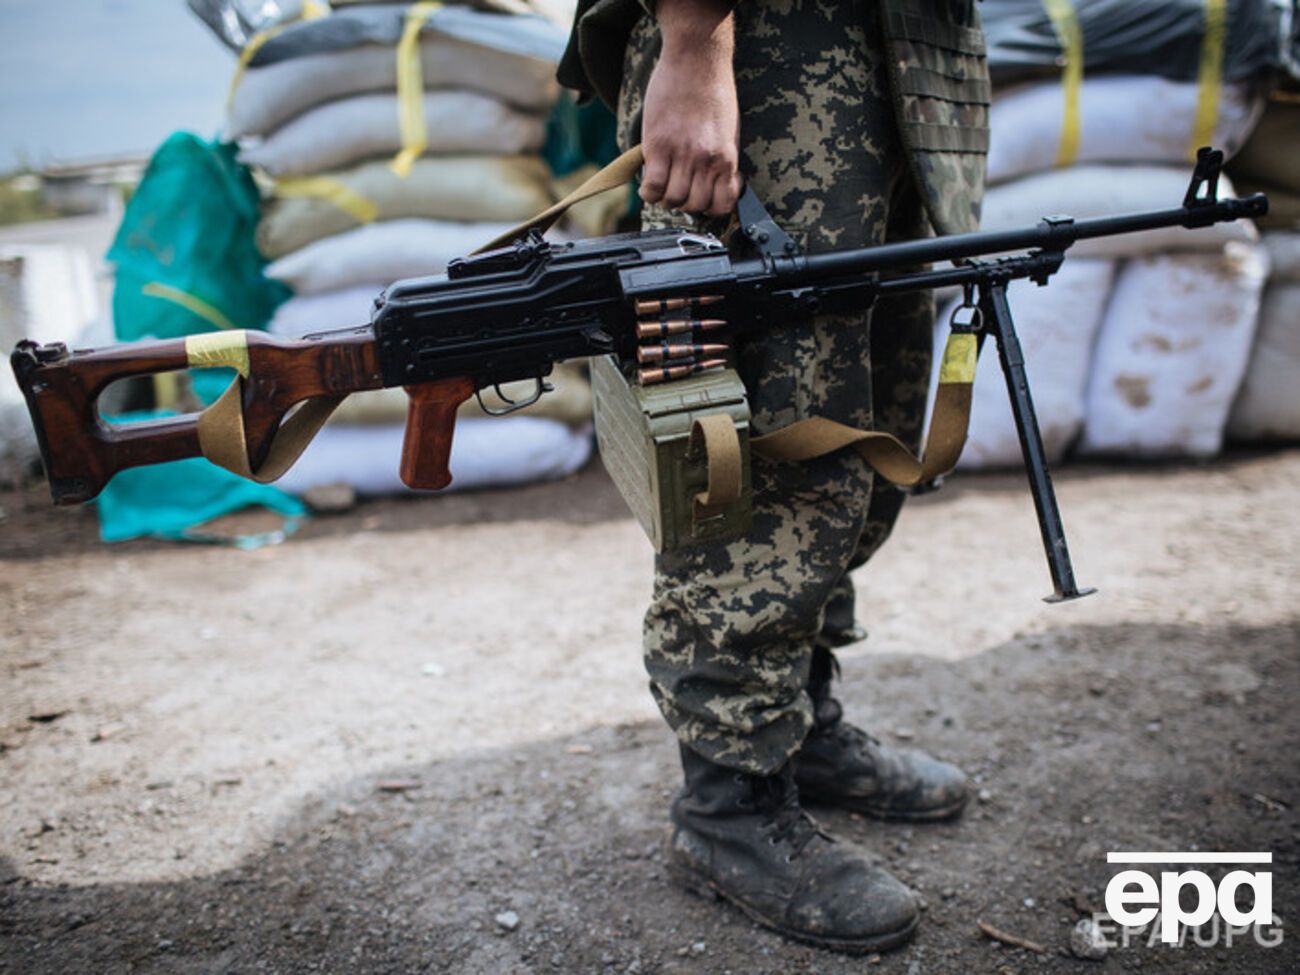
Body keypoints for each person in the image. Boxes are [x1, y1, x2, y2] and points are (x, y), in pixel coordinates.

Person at [559, 0, 990, 953]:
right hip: (769, 40)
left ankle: (799, 723)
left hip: (904, 50)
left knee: (861, 424)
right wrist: (695, 47)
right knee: (764, 445)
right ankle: (731, 801)